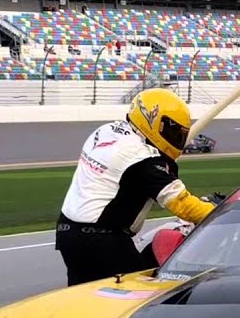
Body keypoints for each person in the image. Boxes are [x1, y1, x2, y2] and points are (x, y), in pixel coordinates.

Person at [56, 87, 215, 286]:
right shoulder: (142, 157)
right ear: (152, 120)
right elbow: (181, 204)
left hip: (66, 232)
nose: (176, 139)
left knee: (83, 297)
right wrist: (222, 213)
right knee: (141, 298)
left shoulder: (105, 131)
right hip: (101, 240)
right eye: (172, 130)